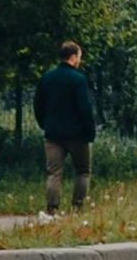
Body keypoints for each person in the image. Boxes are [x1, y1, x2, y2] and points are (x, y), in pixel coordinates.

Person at [33, 40, 98, 217]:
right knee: (83, 171)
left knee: (54, 173)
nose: (80, 61)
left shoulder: (47, 77)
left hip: (53, 134)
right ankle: (77, 208)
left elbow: (38, 104)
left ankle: (52, 209)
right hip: (77, 135)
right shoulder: (78, 79)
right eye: (79, 57)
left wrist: (44, 124)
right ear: (73, 57)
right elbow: (84, 108)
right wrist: (90, 131)